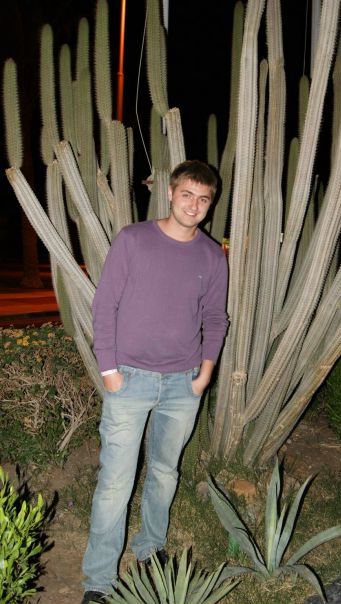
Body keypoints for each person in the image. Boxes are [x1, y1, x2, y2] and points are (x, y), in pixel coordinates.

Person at [81, 160, 229, 604]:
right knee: (115, 482)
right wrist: (109, 370)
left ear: (210, 204)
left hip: (183, 385)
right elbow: (104, 305)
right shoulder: (133, 240)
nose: (194, 206)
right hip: (129, 380)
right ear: (170, 193)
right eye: (187, 195)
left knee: (164, 473)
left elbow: (215, 318)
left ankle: (149, 547)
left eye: (203, 199)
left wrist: (204, 374)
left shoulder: (211, 256)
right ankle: (98, 581)